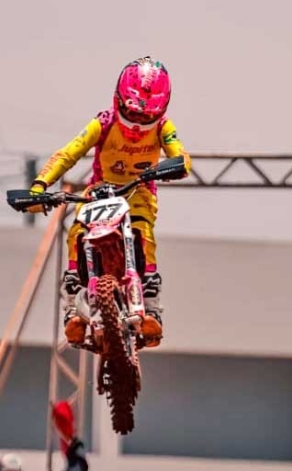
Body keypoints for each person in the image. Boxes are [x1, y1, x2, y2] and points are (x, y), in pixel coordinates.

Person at [27, 56, 191, 348]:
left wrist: (176, 166)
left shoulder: (164, 127)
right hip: (99, 190)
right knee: (77, 233)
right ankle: (71, 313)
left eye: (146, 116)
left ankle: (152, 309)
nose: (139, 121)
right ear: (119, 99)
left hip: (138, 191)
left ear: (161, 109)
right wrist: (40, 185)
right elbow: (68, 153)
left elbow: (181, 156)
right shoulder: (103, 123)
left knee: (144, 233)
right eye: (133, 113)